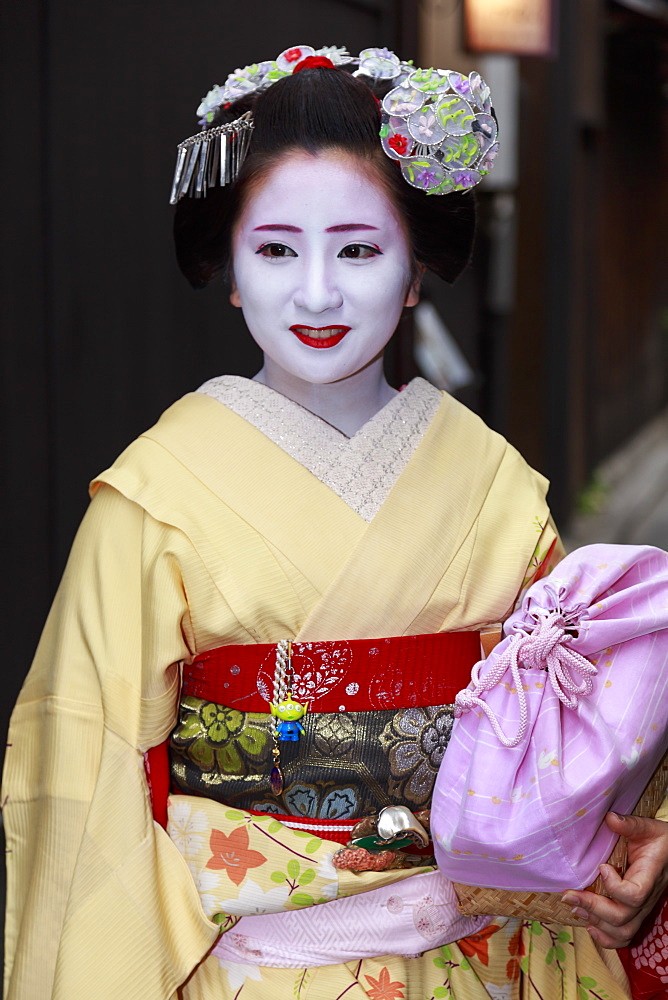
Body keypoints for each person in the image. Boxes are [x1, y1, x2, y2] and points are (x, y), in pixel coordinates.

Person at [2, 44, 667, 1000]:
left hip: (483, 960)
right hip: (253, 963)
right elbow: (87, 764)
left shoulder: (493, 482)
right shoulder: (156, 495)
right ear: (230, 270)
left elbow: (585, 728)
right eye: (275, 249)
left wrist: (642, 846)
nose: (317, 292)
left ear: (412, 273)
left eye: (358, 249)